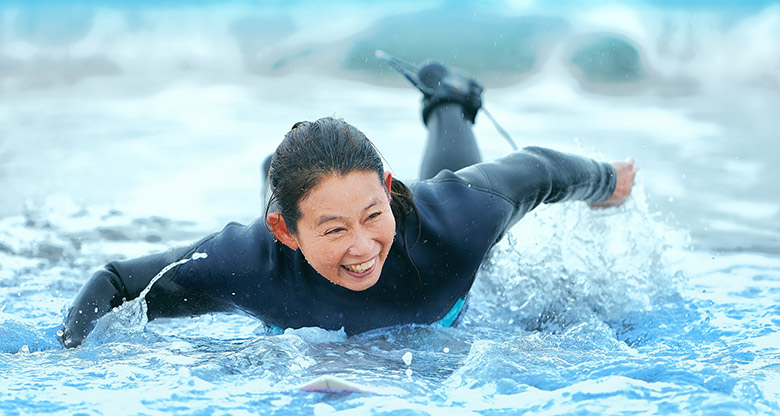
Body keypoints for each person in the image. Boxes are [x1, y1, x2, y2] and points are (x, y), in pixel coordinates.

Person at [59, 60, 637, 348]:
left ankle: (449, 98)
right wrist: (71, 364)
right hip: (293, 228)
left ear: (387, 189)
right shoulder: (246, 260)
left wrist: (608, 180)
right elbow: (113, 281)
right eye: (334, 230)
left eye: (371, 216)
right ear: (284, 232)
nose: (363, 249)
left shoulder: (462, 217)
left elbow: (540, 170)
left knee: (443, 187)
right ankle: (281, 177)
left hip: (439, 245)